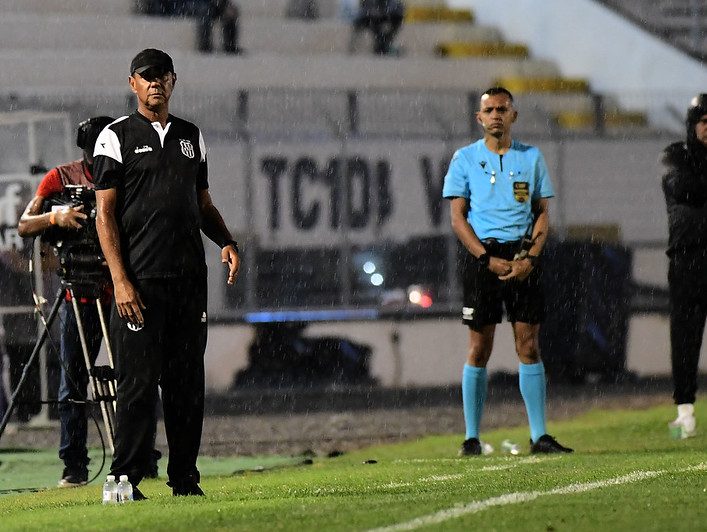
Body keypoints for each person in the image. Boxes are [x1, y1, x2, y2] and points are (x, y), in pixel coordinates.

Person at [93, 48, 240, 499]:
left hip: (188, 282)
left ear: (174, 81)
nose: (156, 82)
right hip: (139, 283)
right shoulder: (114, 137)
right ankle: (123, 479)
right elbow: (105, 214)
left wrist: (227, 240)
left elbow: (203, 205)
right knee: (137, 385)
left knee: (185, 387)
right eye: (147, 75)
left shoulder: (191, 136)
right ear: (132, 83)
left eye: (163, 75)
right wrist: (119, 279)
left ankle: (184, 479)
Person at [17, 117, 162, 486]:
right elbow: (24, 224)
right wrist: (57, 215)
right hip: (78, 291)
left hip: (122, 290)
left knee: (135, 375)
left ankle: (140, 455)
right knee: (72, 382)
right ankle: (74, 465)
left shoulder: (129, 175)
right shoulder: (60, 178)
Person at [442, 87, 573, 456]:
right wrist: (485, 259)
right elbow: (457, 217)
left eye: (502, 108)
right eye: (489, 109)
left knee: (529, 345)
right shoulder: (464, 158)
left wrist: (529, 259)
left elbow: (543, 213)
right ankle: (470, 437)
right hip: (483, 258)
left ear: (513, 115)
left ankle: (539, 435)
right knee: (479, 347)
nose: (496, 114)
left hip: (522, 256)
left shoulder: (531, 158)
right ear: (479, 118)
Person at [660, 93, 707, 439]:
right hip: (689, 258)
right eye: (703, 121)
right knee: (685, 335)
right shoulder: (677, 159)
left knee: (686, 334)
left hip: (690, 253)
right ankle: (685, 411)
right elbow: (684, 189)